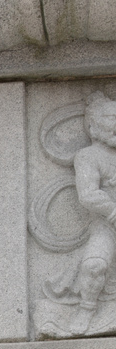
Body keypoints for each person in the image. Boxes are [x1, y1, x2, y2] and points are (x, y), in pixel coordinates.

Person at [57, 91, 116, 333]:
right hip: (106, 224)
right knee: (94, 265)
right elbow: (89, 195)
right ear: (93, 126)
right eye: (112, 118)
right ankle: (87, 309)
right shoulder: (89, 156)